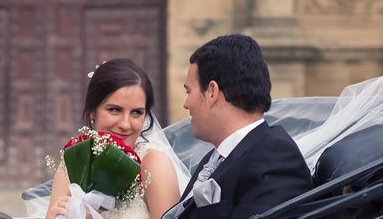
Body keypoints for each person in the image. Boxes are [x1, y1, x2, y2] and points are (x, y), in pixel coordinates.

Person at [162, 34, 313, 219]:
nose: (186, 103)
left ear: (212, 92)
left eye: (189, 91)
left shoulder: (274, 158)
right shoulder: (217, 157)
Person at [46, 58, 190, 219]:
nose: (125, 124)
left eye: (137, 112)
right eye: (115, 110)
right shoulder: (73, 162)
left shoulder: (154, 164)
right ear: (93, 111)